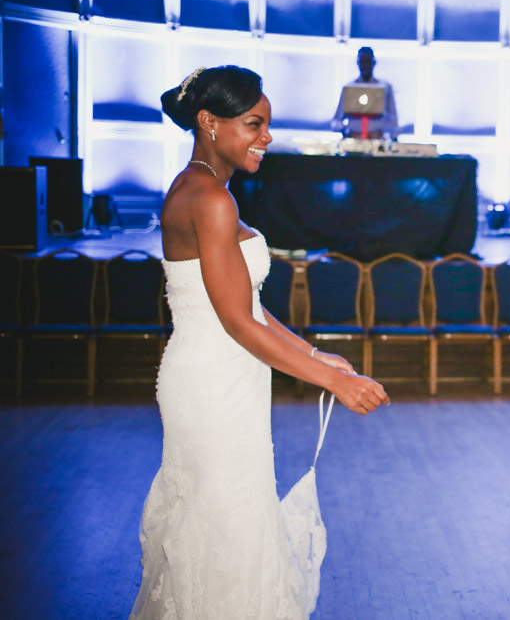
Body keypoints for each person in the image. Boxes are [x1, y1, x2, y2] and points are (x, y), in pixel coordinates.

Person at [131, 65, 390, 618]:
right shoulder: (209, 198)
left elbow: (246, 304)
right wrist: (334, 383)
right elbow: (236, 321)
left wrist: (316, 353)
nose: (266, 138)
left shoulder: (204, 188)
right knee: (227, 525)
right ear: (209, 122)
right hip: (213, 378)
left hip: (223, 371)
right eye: (254, 124)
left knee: (225, 521)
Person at [331, 46, 398, 140]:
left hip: (377, 139)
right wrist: (343, 130)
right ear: (358, 63)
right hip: (353, 139)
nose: (365, 65)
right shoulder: (349, 87)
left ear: (374, 63)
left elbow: (392, 117)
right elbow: (337, 119)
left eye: (368, 62)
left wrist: (394, 138)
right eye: (362, 62)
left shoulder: (385, 87)